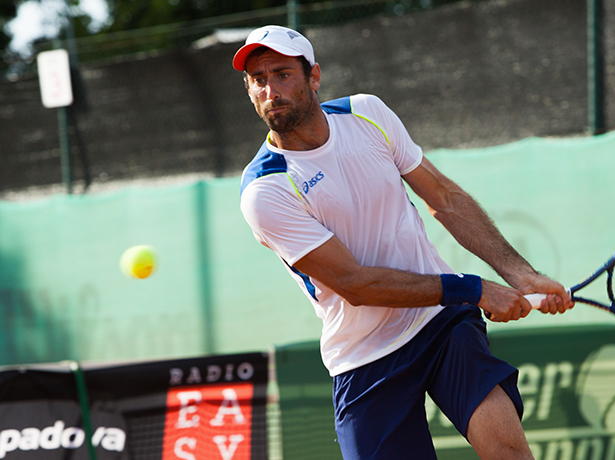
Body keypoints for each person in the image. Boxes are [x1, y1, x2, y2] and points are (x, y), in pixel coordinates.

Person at [233, 25, 573, 460]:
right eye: (258, 80)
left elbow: (444, 198)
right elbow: (355, 284)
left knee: (507, 449)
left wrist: (518, 272)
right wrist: (476, 289)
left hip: (442, 321)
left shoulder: (367, 113)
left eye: (282, 74)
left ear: (313, 77)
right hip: (364, 357)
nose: (270, 90)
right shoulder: (265, 190)